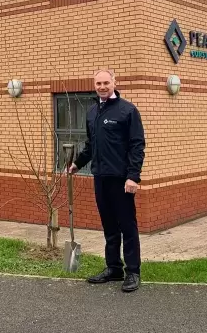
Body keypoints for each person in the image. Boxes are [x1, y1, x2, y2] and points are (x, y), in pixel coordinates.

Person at [68, 69, 145, 292]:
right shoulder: (93, 112)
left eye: (106, 82)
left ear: (114, 82)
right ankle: (113, 268)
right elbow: (91, 145)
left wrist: (133, 176)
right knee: (109, 226)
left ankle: (133, 271)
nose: (102, 86)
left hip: (121, 180)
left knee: (127, 226)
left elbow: (137, 146)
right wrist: (78, 164)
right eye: (98, 83)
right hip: (100, 177)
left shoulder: (127, 110)